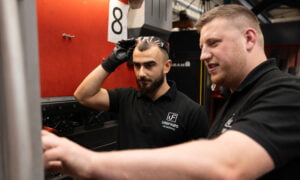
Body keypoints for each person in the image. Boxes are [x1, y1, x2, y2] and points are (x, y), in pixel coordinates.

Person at [42, 4, 300, 179]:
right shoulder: (239, 97)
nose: (203, 55)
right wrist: (111, 61)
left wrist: (89, 163)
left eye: (213, 43)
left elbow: (227, 165)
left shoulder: (286, 93)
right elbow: (84, 95)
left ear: (249, 39)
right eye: (201, 46)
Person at [73, 36, 209, 149]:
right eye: (137, 66)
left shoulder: (192, 111)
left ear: (166, 66)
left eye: (149, 65)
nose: (141, 73)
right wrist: (112, 61)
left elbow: (200, 166)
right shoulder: (125, 98)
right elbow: (83, 96)